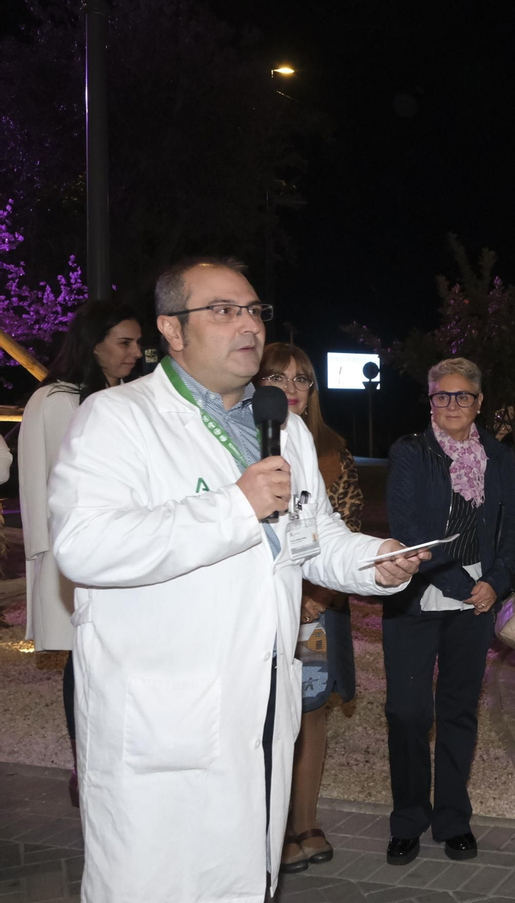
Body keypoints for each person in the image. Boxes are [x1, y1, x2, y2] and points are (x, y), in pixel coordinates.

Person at [47, 257, 426, 902]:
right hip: (163, 712)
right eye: (222, 310)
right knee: (151, 883)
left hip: (264, 696)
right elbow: (85, 547)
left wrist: (374, 561)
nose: (247, 324)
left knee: (241, 879)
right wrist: (234, 506)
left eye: (253, 310)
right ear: (171, 328)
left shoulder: (279, 426)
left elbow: (311, 537)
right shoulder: (117, 418)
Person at [382, 357, 515, 865]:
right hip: (416, 596)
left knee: (460, 711)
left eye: (463, 396)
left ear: (479, 402)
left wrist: (497, 581)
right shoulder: (410, 453)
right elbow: (407, 527)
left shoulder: (500, 458)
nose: (452, 405)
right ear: (431, 400)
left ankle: (452, 819)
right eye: (443, 395)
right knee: (407, 713)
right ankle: (408, 821)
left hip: (476, 602)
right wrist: (466, 583)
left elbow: (512, 529)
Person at [18, 300, 143, 809]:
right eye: (124, 343)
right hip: (75, 558)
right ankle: (85, 764)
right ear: (94, 345)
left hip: (121, 553)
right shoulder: (59, 400)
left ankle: (114, 758)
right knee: (84, 662)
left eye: (138, 343)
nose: (136, 353)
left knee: (111, 662)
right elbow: (56, 487)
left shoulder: (115, 395)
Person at [253, 343, 364, 873]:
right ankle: (267, 830)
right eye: (278, 376)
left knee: (311, 713)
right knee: (265, 714)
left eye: (302, 378)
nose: (292, 387)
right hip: (265, 605)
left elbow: (342, 530)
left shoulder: (333, 450)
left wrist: (317, 598)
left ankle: (305, 823)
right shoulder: (244, 442)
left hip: (319, 607)